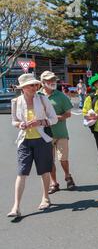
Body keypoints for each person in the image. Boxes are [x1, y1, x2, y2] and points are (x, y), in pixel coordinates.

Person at [8, 74, 58, 217]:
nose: (34, 87)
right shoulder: (16, 101)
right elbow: (14, 121)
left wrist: (40, 122)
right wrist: (20, 124)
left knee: (44, 171)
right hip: (24, 141)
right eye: (31, 85)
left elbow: (53, 119)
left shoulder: (42, 99)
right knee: (21, 172)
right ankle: (16, 207)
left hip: (42, 139)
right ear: (23, 88)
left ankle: (46, 198)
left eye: (35, 85)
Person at [39, 71, 76, 194]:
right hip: (45, 134)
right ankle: (54, 183)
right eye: (49, 80)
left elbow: (68, 114)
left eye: (54, 80)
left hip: (61, 133)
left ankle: (67, 176)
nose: (52, 82)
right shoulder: (37, 96)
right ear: (42, 82)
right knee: (50, 160)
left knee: (63, 159)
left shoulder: (61, 96)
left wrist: (55, 119)